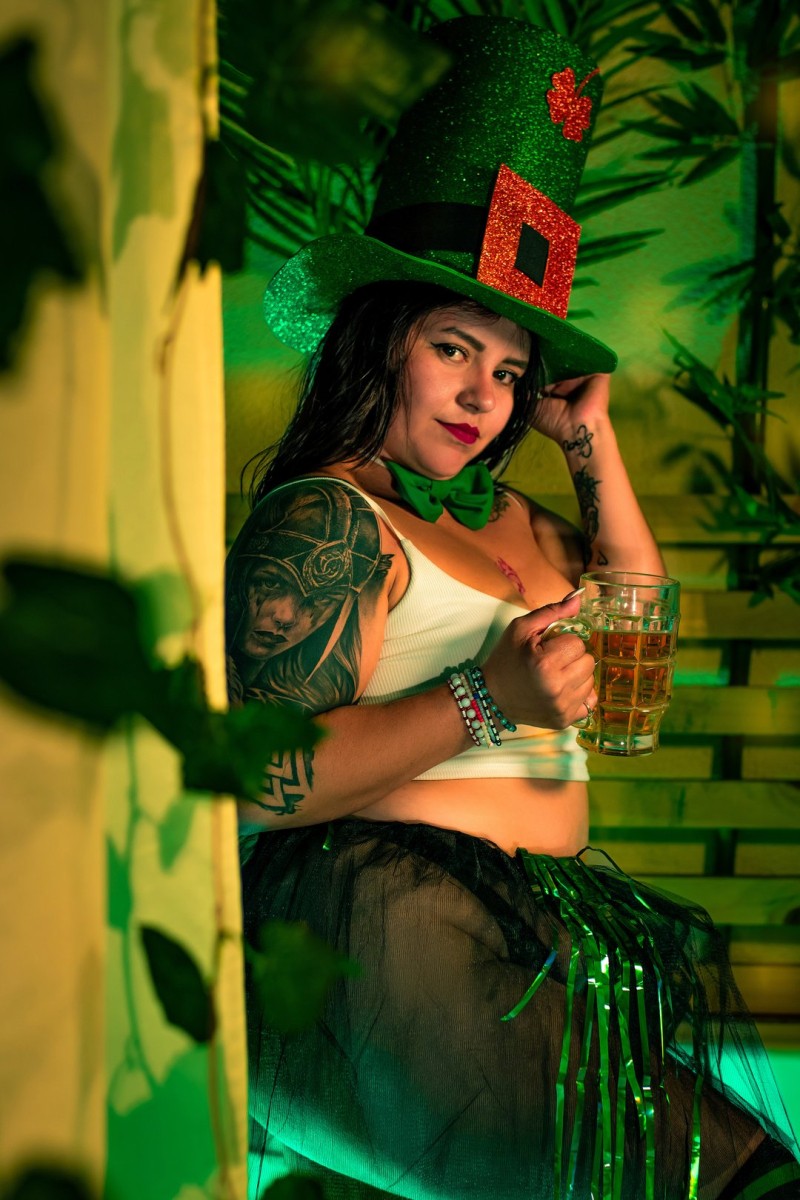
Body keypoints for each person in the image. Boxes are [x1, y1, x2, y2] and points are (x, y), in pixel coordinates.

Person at [226, 17, 800, 1200]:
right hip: (381, 931)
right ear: (377, 340)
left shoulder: (525, 528)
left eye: (506, 371)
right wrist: (488, 697)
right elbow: (258, 779)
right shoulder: (329, 514)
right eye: (451, 350)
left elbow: (635, 674)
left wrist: (591, 449)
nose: (481, 397)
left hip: (533, 931)